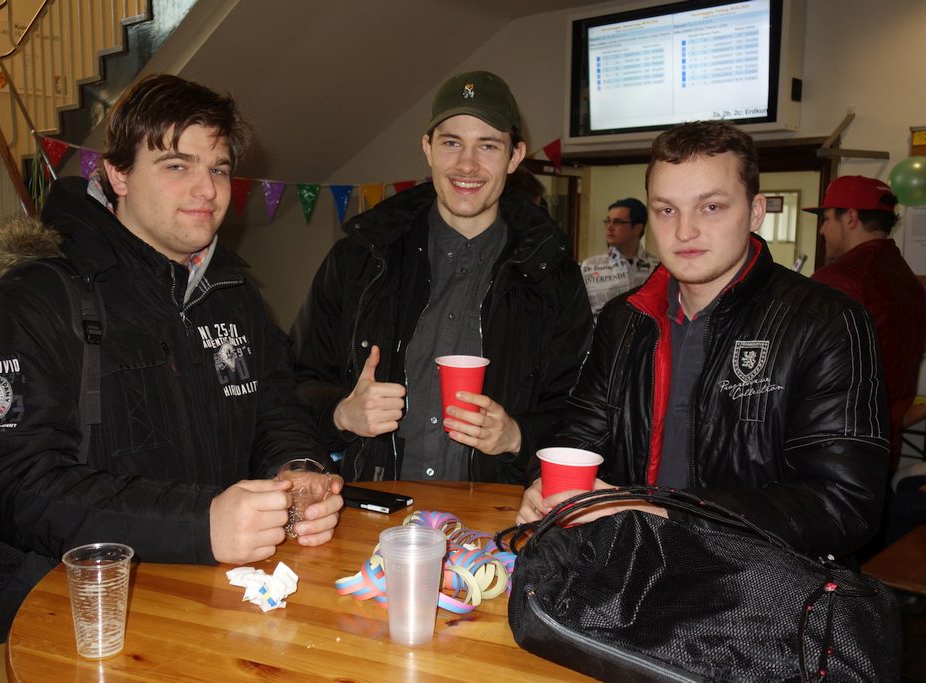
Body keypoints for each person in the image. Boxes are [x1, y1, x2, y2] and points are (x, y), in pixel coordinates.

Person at [0, 74, 343, 634]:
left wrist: (297, 469)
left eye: (219, 168)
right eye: (177, 165)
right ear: (118, 174)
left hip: (227, 600)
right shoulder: (35, 299)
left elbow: (278, 409)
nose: (208, 190)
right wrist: (199, 525)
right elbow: (13, 487)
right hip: (88, 611)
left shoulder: (235, 293)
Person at [518, 121, 889, 559]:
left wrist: (665, 514)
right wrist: (548, 483)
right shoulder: (625, 319)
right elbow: (581, 434)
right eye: (666, 210)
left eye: (710, 207)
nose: (685, 231)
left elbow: (843, 504)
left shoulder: (827, 322)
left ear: (755, 212)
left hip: (757, 586)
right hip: (630, 570)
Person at [291, 70, 591, 484]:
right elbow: (292, 384)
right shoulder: (358, 260)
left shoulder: (552, 274)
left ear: (515, 156)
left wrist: (518, 436)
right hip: (375, 504)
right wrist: (341, 412)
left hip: (498, 511)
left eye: (488, 145)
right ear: (427, 148)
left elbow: (581, 412)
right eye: (451, 143)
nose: (467, 164)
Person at [805, 175, 926, 470]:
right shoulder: (907, 280)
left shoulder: (838, 281)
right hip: (884, 447)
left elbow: (803, 367)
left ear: (850, 217)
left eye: (826, 219)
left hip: (835, 449)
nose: (822, 230)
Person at [579, 197, 659, 316]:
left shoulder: (657, 268)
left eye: (617, 222)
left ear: (637, 228)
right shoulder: (588, 267)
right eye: (608, 221)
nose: (609, 227)